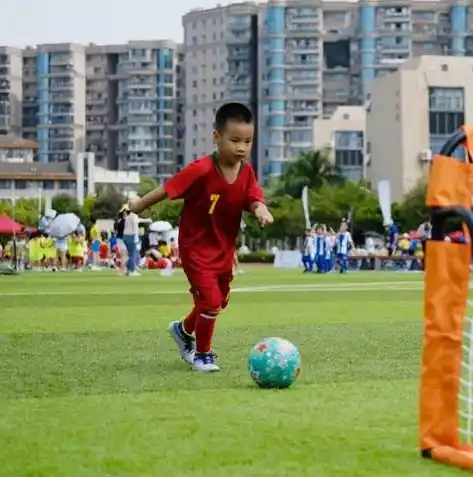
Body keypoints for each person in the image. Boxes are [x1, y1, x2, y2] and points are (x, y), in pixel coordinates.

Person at [129, 102, 273, 372]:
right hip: (195, 247)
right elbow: (167, 188)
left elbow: (253, 197)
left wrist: (260, 208)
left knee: (219, 301)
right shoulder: (201, 169)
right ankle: (202, 353)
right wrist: (138, 205)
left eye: (248, 141)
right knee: (210, 302)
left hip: (223, 249)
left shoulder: (247, 171)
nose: (242, 147)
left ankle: (182, 331)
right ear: (217, 136)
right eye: (235, 140)